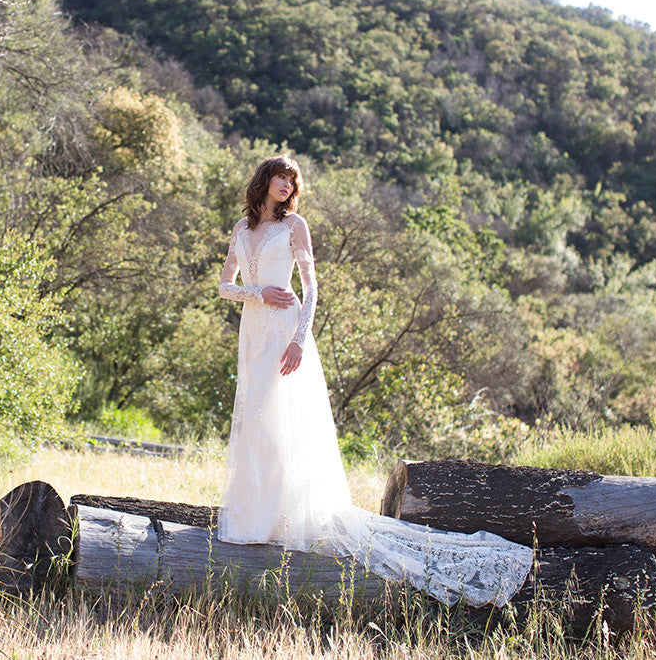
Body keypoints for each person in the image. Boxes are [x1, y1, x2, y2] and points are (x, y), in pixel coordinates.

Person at [216, 155, 533, 607]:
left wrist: (300, 342)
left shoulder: (296, 226)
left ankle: (287, 520)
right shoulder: (241, 229)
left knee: (280, 421)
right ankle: (256, 520)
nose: (286, 185)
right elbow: (225, 286)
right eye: (280, 178)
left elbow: (311, 287)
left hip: (285, 328)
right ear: (264, 180)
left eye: (292, 180)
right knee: (256, 422)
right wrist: (258, 293)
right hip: (253, 328)